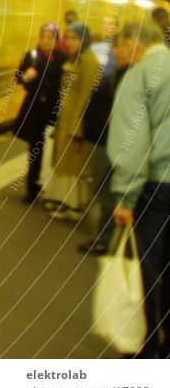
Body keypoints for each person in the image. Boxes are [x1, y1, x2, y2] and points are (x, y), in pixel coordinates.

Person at [107, 21, 170, 358]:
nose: (117, 52)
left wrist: (125, 195)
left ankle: (146, 350)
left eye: (119, 44)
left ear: (135, 43)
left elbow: (132, 142)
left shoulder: (140, 75)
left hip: (157, 186)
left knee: (148, 266)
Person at [77, 31, 131, 255]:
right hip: (101, 139)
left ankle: (104, 240)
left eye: (121, 46)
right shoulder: (118, 72)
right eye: (115, 46)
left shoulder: (130, 76)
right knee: (104, 190)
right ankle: (107, 237)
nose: (116, 51)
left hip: (109, 141)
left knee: (107, 191)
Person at [41, 22, 101, 220]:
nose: (71, 42)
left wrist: (78, 126)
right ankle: (64, 202)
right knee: (64, 164)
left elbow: (86, 95)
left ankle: (73, 206)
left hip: (76, 121)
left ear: (84, 39)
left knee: (73, 165)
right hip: (65, 119)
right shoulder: (75, 59)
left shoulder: (89, 61)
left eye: (75, 38)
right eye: (68, 38)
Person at [12, 23, 66, 203]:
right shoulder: (32, 56)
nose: (46, 41)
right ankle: (32, 187)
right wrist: (27, 76)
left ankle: (52, 185)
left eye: (51, 38)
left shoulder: (63, 59)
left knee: (55, 147)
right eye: (44, 37)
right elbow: (18, 78)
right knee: (36, 147)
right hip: (35, 109)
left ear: (57, 40)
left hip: (54, 109)